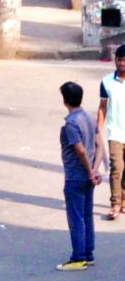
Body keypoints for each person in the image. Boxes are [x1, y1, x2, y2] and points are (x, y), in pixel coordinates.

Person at [56, 81, 100, 271]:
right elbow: (99, 145)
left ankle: (78, 258)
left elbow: (80, 151)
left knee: (76, 218)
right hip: (88, 176)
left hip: (76, 175)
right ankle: (88, 253)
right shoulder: (89, 117)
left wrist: (89, 172)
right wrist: (95, 169)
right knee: (86, 215)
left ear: (65, 100)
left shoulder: (71, 124)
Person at [97, 43, 125, 221]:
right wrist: (97, 130)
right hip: (115, 133)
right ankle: (115, 204)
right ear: (115, 61)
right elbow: (102, 108)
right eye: (120, 60)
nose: (122, 63)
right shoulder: (106, 82)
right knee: (116, 169)